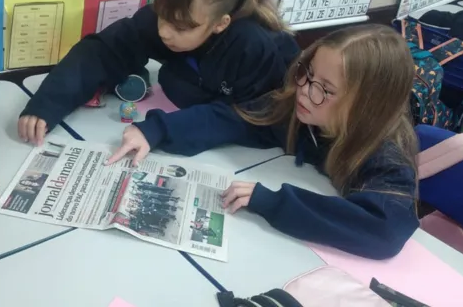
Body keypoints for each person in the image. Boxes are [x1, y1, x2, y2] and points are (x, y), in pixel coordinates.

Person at [109, 24, 420, 259]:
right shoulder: (300, 111)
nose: (303, 90)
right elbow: (235, 119)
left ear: (366, 106)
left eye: (324, 88)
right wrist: (156, 130)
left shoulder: (386, 159)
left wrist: (272, 202)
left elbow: (385, 229)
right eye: (306, 74)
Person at [18, 0, 299, 147]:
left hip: (269, 126)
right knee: (170, 79)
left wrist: (160, 130)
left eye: (179, 27)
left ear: (220, 24)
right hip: (205, 94)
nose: (165, 32)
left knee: (176, 82)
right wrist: (47, 105)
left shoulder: (251, 45)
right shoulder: (169, 17)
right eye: (162, 16)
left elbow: (251, 119)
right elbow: (104, 49)